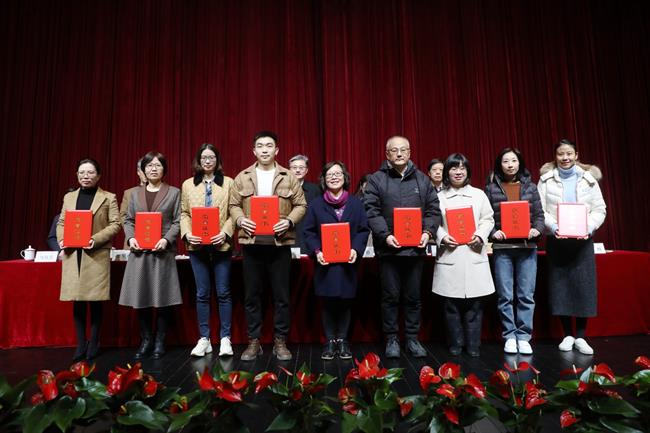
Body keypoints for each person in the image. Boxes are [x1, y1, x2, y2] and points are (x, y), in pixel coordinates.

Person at [229, 131, 307, 361]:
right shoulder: (242, 177)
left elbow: (301, 205)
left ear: (276, 150)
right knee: (252, 296)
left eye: (269, 145)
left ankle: (280, 341)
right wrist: (240, 220)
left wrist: (289, 221)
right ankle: (254, 341)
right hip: (252, 245)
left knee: (281, 296)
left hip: (279, 244)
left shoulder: (288, 176)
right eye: (260, 146)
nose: (265, 149)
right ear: (254, 151)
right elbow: (233, 205)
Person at [364, 135, 441, 358]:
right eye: (394, 150)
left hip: (415, 250)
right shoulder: (377, 180)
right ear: (387, 154)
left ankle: (413, 339)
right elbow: (371, 210)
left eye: (403, 150)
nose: (399, 154)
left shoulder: (423, 180)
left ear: (409, 153)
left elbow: (433, 210)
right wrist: (385, 236)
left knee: (413, 297)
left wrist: (427, 232)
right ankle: (391, 339)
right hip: (388, 250)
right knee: (390, 297)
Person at [538, 139, 606, 355]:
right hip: (557, 240)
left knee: (583, 286)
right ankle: (567, 334)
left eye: (569, 153)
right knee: (561, 286)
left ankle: (581, 336)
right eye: (561, 154)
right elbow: (540, 210)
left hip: (583, 241)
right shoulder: (546, 180)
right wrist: (554, 226)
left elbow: (600, 209)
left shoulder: (588, 180)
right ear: (555, 156)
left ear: (576, 155)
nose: (565, 158)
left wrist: (589, 226)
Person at [302, 161, 370, 360]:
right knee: (328, 302)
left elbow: (363, 229)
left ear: (345, 177)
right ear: (324, 179)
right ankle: (330, 341)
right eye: (330, 174)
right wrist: (317, 251)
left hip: (348, 262)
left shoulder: (356, 203)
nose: (334, 177)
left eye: (338, 173)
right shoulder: (316, 205)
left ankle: (343, 340)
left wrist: (355, 249)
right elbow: (308, 232)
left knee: (346, 301)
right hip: (325, 263)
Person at [119, 151, 182, 359]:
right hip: (139, 252)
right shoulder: (134, 194)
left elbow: (178, 220)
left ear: (164, 169)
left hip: (162, 252)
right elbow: (128, 220)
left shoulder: (174, 192)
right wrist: (131, 238)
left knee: (163, 298)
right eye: (149, 166)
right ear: (143, 170)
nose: (153, 169)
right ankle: (146, 340)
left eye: (158, 165)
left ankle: (160, 341)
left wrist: (166, 239)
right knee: (141, 296)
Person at [57, 158, 121, 361]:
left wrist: (95, 239)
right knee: (77, 299)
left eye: (90, 172)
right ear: (77, 175)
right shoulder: (69, 197)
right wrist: (62, 239)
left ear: (98, 176)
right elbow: (61, 222)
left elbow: (115, 224)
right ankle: (80, 343)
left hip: (95, 253)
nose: (86, 176)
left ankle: (94, 342)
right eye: (82, 172)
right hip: (73, 253)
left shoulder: (108, 197)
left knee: (94, 300)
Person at [432, 153, 495, 357]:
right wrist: (442, 236)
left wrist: (480, 235)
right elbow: (433, 222)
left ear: (468, 171)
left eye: (462, 168)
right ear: (447, 172)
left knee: (475, 305)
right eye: (453, 168)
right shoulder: (438, 197)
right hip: (450, 254)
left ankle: (474, 345)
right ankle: (455, 344)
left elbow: (488, 219)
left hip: (473, 252)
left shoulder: (479, 195)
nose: (458, 172)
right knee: (450, 305)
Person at [485, 148, 545, 355]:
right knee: (505, 296)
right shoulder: (491, 188)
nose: (510, 165)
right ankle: (510, 335)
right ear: (499, 164)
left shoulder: (531, 187)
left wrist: (537, 229)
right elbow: (486, 217)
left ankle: (524, 336)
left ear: (520, 163)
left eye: (513, 160)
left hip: (527, 247)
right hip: (502, 248)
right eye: (505, 161)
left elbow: (539, 215)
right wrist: (493, 232)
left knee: (526, 295)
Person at [181, 144, 235, 357]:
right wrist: (187, 233)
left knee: (223, 292)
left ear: (217, 160)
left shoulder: (229, 183)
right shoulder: (188, 184)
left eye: (211, 157)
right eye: (203, 157)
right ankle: (204, 339)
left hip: (221, 245)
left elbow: (233, 212)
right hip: (196, 246)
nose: (207, 161)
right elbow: (184, 213)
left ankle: (225, 338)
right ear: (198, 160)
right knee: (202, 293)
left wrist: (225, 233)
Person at [288, 154, 321, 253]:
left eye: (301, 167)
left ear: (306, 170)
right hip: (288, 235)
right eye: (294, 167)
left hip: (308, 236)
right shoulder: (282, 189)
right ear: (289, 170)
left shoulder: (315, 190)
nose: (298, 170)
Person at [120, 158, 147, 248]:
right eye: (143, 170)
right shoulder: (129, 193)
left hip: (158, 241)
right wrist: (133, 232)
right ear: (138, 172)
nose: (146, 173)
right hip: (133, 240)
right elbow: (123, 216)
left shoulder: (166, 192)